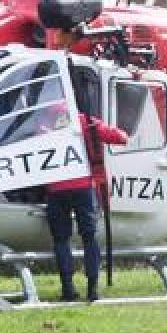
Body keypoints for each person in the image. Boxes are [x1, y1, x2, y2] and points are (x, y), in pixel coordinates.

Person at [45, 25, 128, 302]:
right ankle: (93, 289)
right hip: (82, 186)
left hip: (56, 189)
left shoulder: (43, 127)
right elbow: (120, 137)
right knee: (89, 237)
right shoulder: (85, 122)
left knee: (61, 240)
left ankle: (68, 289)